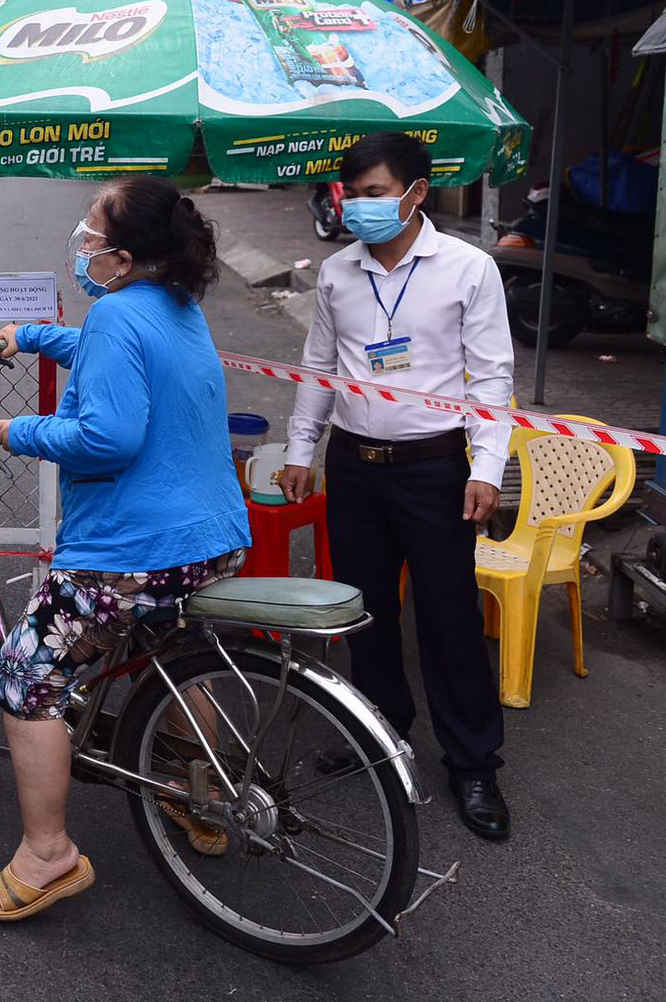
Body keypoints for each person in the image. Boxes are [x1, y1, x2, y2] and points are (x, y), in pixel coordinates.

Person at [0, 176, 251, 921]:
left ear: (124, 257)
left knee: (26, 676)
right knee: (177, 654)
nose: (82, 239)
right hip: (213, 539)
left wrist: (17, 432)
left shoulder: (119, 316)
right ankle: (202, 794)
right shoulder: (174, 306)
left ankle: (48, 855)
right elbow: (107, 354)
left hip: (133, 553)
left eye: (92, 228)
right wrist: (31, 336)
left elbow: (108, 436)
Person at [278, 131, 515, 841]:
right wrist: (301, 449)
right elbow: (321, 365)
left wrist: (484, 468)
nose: (360, 207)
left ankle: (474, 763)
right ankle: (380, 731)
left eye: (376, 193)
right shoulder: (338, 273)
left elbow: (493, 376)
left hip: (435, 470)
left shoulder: (469, 269)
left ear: (417, 192)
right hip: (356, 466)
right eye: (354, 195)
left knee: (449, 618)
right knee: (366, 611)